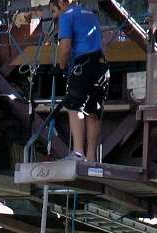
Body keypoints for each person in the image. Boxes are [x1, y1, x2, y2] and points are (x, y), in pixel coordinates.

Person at [49, 0, 109, 161]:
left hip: (83, 66)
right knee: (93, 112)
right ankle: (91, 159)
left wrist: (60, 67)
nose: (54, 16)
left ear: (61, 4)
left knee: (74, 107)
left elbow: (65, 48)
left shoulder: (67, 16)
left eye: (53, 11)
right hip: (101, 66)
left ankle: (78, 153)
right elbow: (102, 43)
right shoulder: (91, 15)